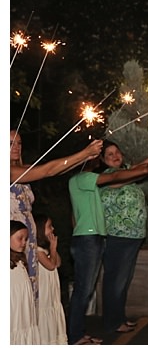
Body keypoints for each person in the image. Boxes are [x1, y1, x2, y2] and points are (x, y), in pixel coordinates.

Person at [66, 141, 148, 346]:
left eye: (118, 152)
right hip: (92, 238)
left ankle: (81, 332)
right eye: (107, 154)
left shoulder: (90, 178)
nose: (115, 156)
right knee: (88, 289)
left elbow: (135, 169)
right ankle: (76, 334)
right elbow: (120, 176)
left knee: (97, 286)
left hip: (99, 236)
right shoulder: (84, 178)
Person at [10, 130, 103, 304]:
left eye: (19, 143)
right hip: (12, 240)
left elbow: (56, 169)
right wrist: (85, 153)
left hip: (27, 237)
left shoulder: (21, 169)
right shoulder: (8, 172)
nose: (16, 147)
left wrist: (83, 158)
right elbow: (48, 171)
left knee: (29, 292)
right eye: (10, 144)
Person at [34, 214, 68, 344]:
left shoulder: (46, 249)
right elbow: (51, 265)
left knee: (53, 308)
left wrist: (53, 248)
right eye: (49, 227)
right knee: (45, 312)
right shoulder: (38, 251)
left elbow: (58, 263)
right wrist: (53, 248)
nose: (52, 229)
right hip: (44, 289)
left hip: (51, 287)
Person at [12, 220, 38, 344]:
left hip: (23, 306)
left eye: (26, 239)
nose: (24, 243)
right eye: (20, 238)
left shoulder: (20, 260)